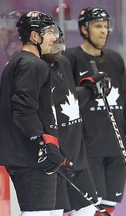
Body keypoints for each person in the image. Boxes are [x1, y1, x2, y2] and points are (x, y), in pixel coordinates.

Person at [63, 7, 126, 215]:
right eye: (98, 26)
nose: (104, 31)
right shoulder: (69, 59)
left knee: (109, 206)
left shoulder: (115, 59)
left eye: (106, 26)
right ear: (84, 29)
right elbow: (64, 102)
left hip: (116, 149)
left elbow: (125, 104)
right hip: (87, 149)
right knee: (89, 209)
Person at [0, 11, 74, 216]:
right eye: (48, 32)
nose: (54, 37)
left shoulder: (23, 62)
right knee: (37, 213)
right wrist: (44, 144)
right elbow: (23, 110)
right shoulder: (32, 64)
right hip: (30, 156)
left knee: (51, 212)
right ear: (34, 36)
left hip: (32, 155)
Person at [43, 26, 107, 216]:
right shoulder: (35, 67)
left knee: (87, 208)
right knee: (54, 211)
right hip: (54, 155)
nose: (56, 47)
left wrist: (89, 89)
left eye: (59, 41)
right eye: (51, 41)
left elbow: (68, 98)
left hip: (76, 153)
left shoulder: (63, 62)